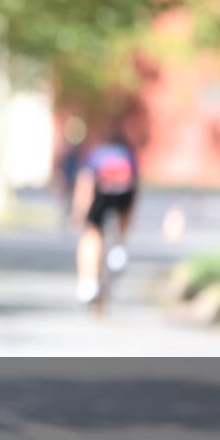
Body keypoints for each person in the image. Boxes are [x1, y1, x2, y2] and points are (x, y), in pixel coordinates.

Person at [71, 129, 138, 309]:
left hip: (102, 191)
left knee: (91, 232)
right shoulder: (128, 154)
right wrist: (127, 221)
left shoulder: (96, 154)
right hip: (124, 192)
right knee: (123, 213)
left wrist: (79, 213)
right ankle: (119, 247)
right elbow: (135, 189)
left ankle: (87, 281)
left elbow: (85, 184)